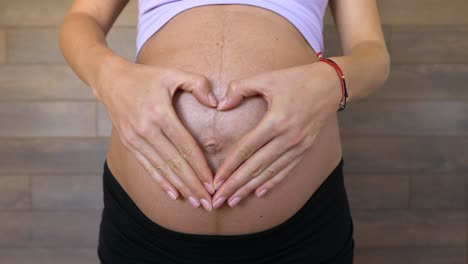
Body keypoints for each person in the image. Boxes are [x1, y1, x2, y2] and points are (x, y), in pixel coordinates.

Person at [59, 0, 390, 263]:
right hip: (144, 233)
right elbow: (83, 17)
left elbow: (372, 53)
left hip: (300, 235)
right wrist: (108, 75)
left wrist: (331, 80)